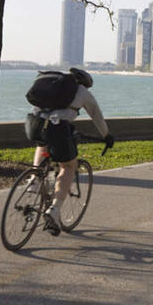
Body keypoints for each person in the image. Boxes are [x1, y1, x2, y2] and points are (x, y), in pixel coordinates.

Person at [32, 68, 113, 234]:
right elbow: (96, 114)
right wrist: (106, 135)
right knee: (68, 166)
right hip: (59, 128)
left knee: (42, 144)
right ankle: (54, 211)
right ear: (85, 83)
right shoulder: (82, 91)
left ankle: (34, 179)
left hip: (35, 123)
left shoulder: (52, 85)